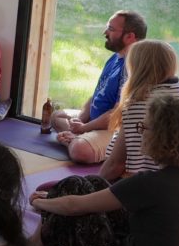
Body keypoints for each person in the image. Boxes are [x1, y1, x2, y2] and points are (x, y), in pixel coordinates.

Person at [31, 94, 179, 246]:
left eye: (144, 128)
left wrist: (41, 202)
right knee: (93, 183)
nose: (141, 133)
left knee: (72, 187)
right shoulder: (165, 180)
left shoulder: (150, 183)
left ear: (162, 138)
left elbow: (73, 206)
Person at [53, 10, 145, 164]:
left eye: (111, 29)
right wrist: (79, 121)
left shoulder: (132, 68)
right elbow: (97, 95)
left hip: (113, 129)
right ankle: (77, 138)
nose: (105, 32)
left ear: (130, 36)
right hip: (94, 123)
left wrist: (83, 128)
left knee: (80, 150)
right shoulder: (115, 57)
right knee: (57, 116)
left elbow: (117, 115)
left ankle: (77, 142)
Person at [97, 39, 179, 181]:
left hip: (142, 183)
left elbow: (116, 165)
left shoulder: (139, 104)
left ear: (138, 67)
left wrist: (93, 185)